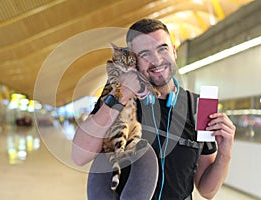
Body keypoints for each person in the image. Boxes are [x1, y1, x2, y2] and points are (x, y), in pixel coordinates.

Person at [71, 18, 235, 199]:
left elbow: (207, 191)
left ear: (173, 51)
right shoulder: (118, 95)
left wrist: (225, 153)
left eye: (162, 49)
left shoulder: (198, 106)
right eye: (144, 54)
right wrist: (121, 96)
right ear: (133, 61)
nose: (157, 60)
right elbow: (79, 156)